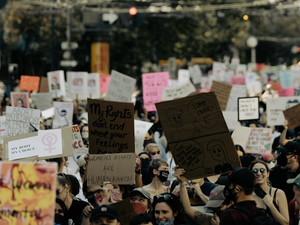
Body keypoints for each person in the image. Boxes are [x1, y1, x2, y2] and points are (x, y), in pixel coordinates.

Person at [249, 160, 289, 225]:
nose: (258, 173)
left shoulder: (278, 193)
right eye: (255, 171)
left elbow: (285, 223)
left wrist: (270, 205)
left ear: (268, 173)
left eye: (262, 170)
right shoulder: (248, 195)